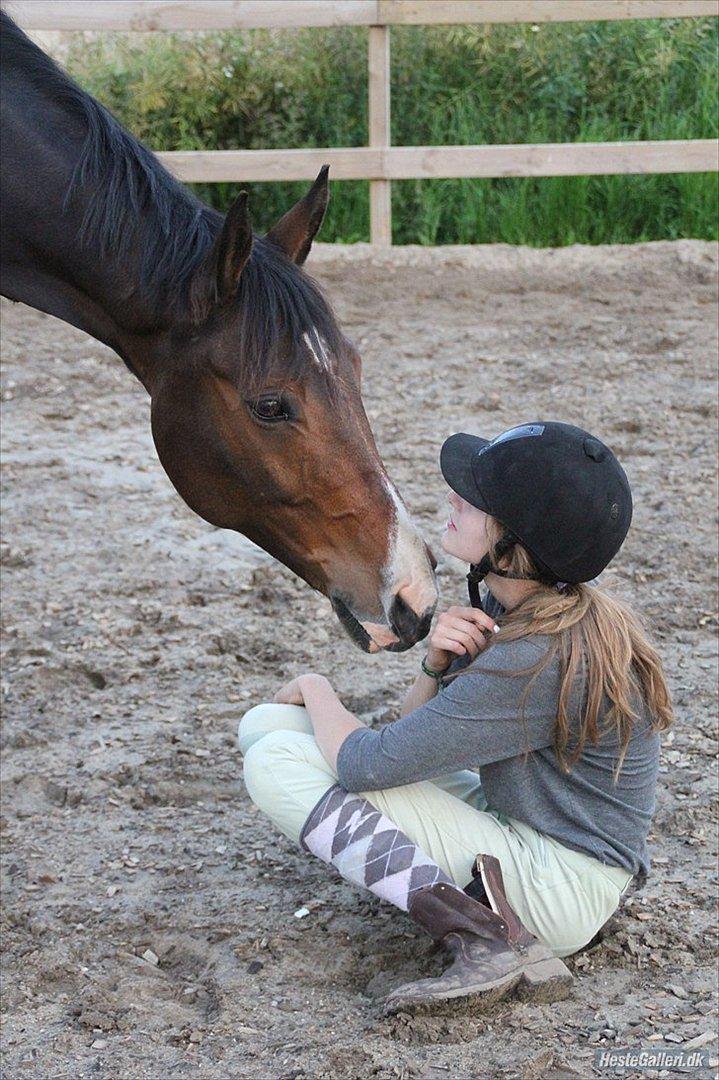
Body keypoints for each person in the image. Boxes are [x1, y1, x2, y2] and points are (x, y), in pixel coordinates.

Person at [237, 421, 673, 1012]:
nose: (454, 497)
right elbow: (409, 742)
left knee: (277, 764)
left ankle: (490, 939)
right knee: (267, 726)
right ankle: (469, 904)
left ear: (515, 543)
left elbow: (371, 764)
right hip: (524, 833)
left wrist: (319, 689)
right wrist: (436, 668)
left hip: (562, 886)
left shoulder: (533, 654)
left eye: (475, 499)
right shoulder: (522, 607)